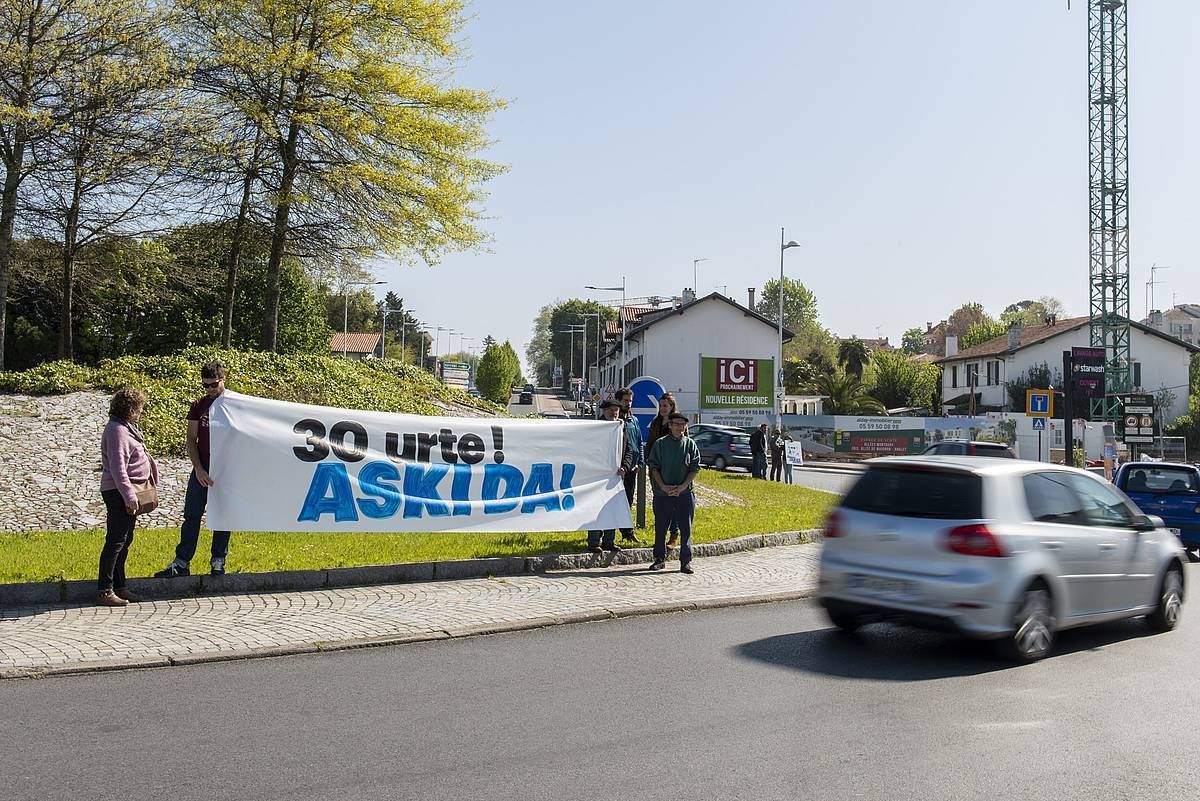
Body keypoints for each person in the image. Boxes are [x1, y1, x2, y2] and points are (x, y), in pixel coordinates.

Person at [155, 361, 231, 578]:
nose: (210, 389)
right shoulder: (199, 405)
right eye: (206, 385)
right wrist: (198, 468)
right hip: (202, 468)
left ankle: (218, 560)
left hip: (226, 470)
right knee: (192, 515)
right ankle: (182, 562)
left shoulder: (235, 404)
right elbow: (191, 439)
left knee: (223, 516)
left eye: (214, 384)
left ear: (223, 379)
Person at [98, 388, 157, 606]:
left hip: (125, 491)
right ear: (129, 408)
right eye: (139, 407)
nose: (141, 411)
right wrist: (129, 496)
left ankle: (120, 586)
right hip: (118, 492)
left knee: (125, 540)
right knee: (116, 541)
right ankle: (105, 590)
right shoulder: (116, 430)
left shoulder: (125, 428)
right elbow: (118, 468)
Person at [647, 413, 702, 574]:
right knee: (661, 527)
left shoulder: (690, 444)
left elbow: (695, 468)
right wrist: (663, 486)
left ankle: (685, 561)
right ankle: (659, 558)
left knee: (686, 528)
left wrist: (683, 486)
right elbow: (654, 467)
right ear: (670, 425)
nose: (680, 427)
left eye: (682, 424)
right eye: (676, 424)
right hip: (663, 493)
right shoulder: (660, 444)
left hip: (685, 493)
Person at [586, 399, 635, 554]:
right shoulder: (596, 428)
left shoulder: (622, 428)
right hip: (599, 477)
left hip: (616, 477)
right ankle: (594, 542)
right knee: (596, 509)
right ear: (604, 411)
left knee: (612, 508)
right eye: (611, 410)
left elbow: (629, 451)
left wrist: (625, 467)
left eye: (616, 410)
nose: (614, 413)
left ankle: (609, 541)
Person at [644, 392, 682, 545]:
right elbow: (650, 443)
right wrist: (649, 461)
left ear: (672, 407)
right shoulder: (656, 423)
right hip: (657, 468)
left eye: (665, 406)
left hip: (672, 468)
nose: (662, 409)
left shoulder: (677, 423)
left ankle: (674, 534)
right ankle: (660, 537)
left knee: (673, 503)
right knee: (660, 504)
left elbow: (683, 445)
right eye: (660, 406)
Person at [614, 387, 644, 544]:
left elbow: (639, 442)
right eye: (625, 401)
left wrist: (640, 462)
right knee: (613, 502)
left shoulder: (634, 420)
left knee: (628, 501)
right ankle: (605, 534)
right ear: (618, 401)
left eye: (630, 401)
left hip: (631, 468)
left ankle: (627, 532)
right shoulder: (614, 421)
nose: (628, 404)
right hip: (617, 470)